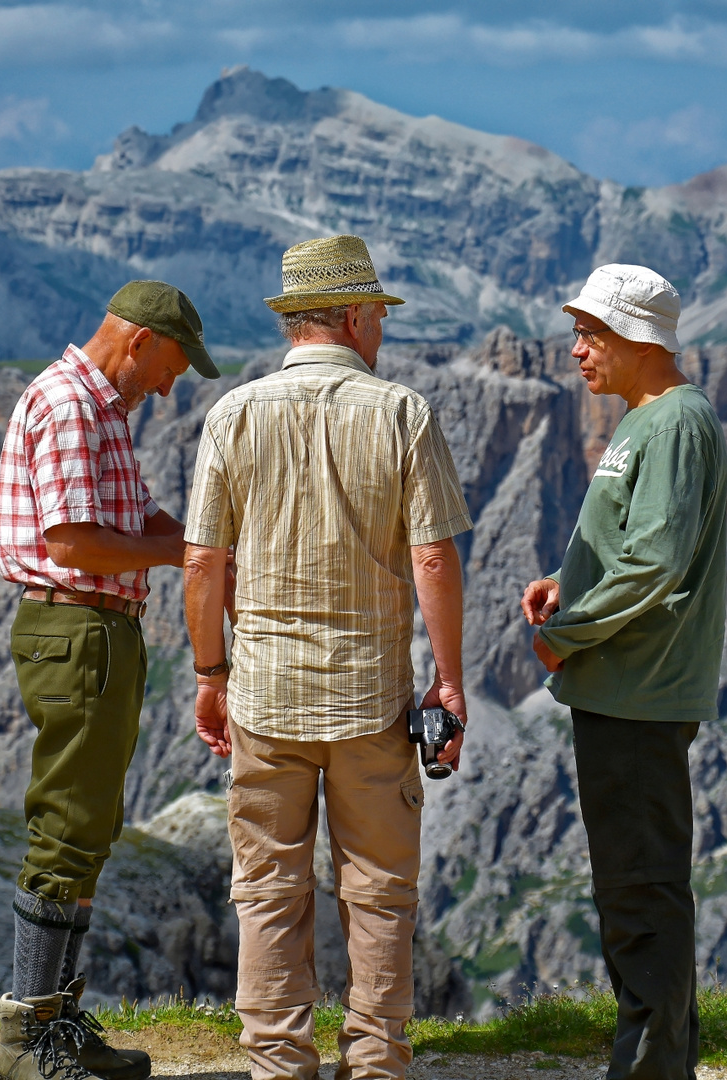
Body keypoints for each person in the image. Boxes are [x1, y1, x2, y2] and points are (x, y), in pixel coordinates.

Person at [181, 234, 472, 1080]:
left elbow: (203, 563)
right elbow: (433, 558)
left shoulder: (233, 415)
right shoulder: (402, 412)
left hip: (264, 695)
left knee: (269, 891)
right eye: (377, 312)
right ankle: (377, 1061)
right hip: (371, 697)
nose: (381, 327)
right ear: (350, 316)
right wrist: (448, 683)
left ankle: (278, 1063)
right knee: (378, 891)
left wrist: (211, 675)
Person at [0, 280, 222, 1080]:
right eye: (173, 369)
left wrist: (204, 547)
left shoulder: (103, 414)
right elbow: (78, 542)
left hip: (99, 631)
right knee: (65, 829)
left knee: (87, 831)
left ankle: (55, 1021)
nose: (169, 388)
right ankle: (26, 1043)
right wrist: (179, 557)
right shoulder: (70, 405)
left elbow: (140, 519)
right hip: (75, 625)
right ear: (141, 342)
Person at [520, 264, 727, 1080]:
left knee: (641, 890)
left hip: (637, 689)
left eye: (592, 334)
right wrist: (565, 577)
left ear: (640, 340)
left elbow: (654, 561)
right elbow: (631, 541)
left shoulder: (674, 423)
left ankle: (649, 1068)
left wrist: (563, 635)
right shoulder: (649, 416)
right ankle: (659, 1054)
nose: (577, 350)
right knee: (632, 884)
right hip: (622, 687)